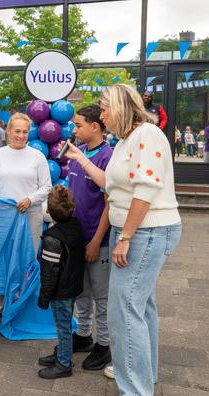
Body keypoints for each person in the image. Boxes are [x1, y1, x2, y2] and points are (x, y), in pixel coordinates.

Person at [62, 84, 181, 396]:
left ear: (119, 107)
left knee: (124, 308)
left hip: (144, 232)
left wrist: (126, 236)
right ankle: (140, 369)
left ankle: (137, 393)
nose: (100, 115)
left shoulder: (148, 135)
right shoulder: (127, 141)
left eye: (104, 108)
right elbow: (109, 184)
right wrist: (80, 158)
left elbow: (145, 189)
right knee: (141, 306)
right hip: (132, 231)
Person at [0, 112, 52, 317]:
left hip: (31, 215)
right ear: (8, 130)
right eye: (17, 131)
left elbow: (46, 187)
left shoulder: (37, 156)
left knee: (27, 258)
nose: (21, 135)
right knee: (4, 259)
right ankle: (0, 301)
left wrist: (30, 199)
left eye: (25, 132)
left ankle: (22, 301)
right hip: (4, 218)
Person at [63, 105, 113, 370]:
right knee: (80, 292)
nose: (74, 129)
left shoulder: (107, 157)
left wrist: (96, 240)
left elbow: (109, 203)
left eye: (79, 125)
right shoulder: (77, 153)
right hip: (77, 240)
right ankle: (83, 336)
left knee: (102, 297)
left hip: (98, 242)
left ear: (95, 126)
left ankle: (104, 345)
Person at [36, 185, 85, 379]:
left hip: (60, 292)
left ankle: (64, 363)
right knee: (64, 325)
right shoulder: (75, 227)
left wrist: (44, 298)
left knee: (63, 326)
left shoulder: (52, 239)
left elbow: (49, 273)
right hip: (72, 286)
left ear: (48, 210)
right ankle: (62, 353)